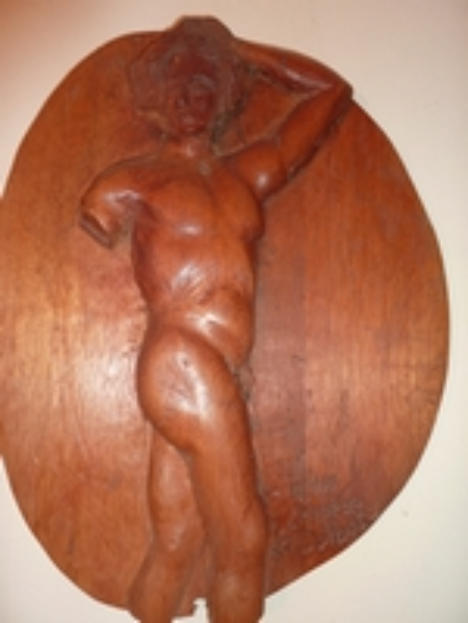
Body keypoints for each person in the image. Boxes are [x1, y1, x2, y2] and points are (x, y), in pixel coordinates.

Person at [80, 17, 351, 623]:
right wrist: (209, 54)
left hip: (218, 368)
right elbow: (95, 218)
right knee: (243, 537)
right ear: (158, 95)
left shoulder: (246, 173)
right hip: (180, 358)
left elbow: (330, 93)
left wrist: (236, 51)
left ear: (224, 94)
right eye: (177, 84)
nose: (190, 98)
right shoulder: (129, 182)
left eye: (205, 84)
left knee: (177, 542)